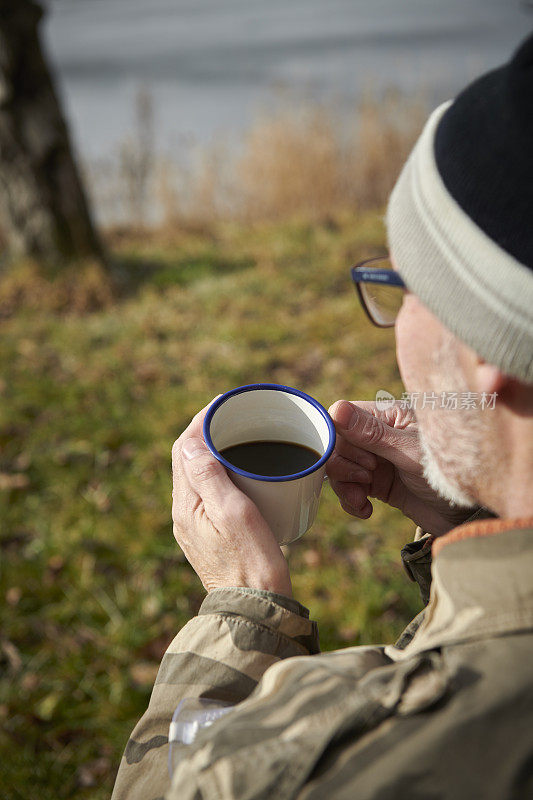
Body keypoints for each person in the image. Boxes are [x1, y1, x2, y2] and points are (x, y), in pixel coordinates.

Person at [112, 34, 533, 800]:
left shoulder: (348, 761)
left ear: (486, 360)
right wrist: (486, 509)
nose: (395, 320)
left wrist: (241, 610)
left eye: (406, 288)